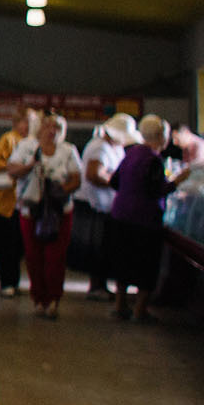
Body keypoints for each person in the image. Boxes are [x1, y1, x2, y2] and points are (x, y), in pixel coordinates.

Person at [106, 114, 180, 323]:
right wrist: (177, 182)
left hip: (121, 215)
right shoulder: (153, 160)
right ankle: (140, 309)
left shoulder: (131, 153)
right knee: (146, 265)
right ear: (161, 136)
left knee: (124, 262)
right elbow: (156, 190)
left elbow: (114, 181)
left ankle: (120, 304)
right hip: (145, 220)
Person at [9, 112, 83, 319]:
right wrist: (30, 166)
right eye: (47, 126)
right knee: (33, 255)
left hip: (59, 211)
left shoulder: (68, 150)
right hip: (31, 209)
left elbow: (76, 178)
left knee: (55, 256)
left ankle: (53, 298)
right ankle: (38, 298)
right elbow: (12, 170)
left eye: (56, 127)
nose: (52, 131)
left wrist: (58, 192)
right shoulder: (26, 146)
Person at [79, 113, 139, 299]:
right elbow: (94, 175)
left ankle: (101, 285)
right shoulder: (100, 148)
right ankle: (96, 286)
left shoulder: (111, 147)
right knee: (99, 247)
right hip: (97, 205)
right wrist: (117, 182)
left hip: (105, 205)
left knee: (103, 248)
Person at [0, 108, 34, 296]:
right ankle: (7, 283)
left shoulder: (32, 141)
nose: (28, 126)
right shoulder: (9, 139)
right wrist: (18, 167)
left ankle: (14, 281)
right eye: (25, 121)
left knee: (18, 246)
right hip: (5, 202)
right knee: (6, 245)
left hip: (22, 202)